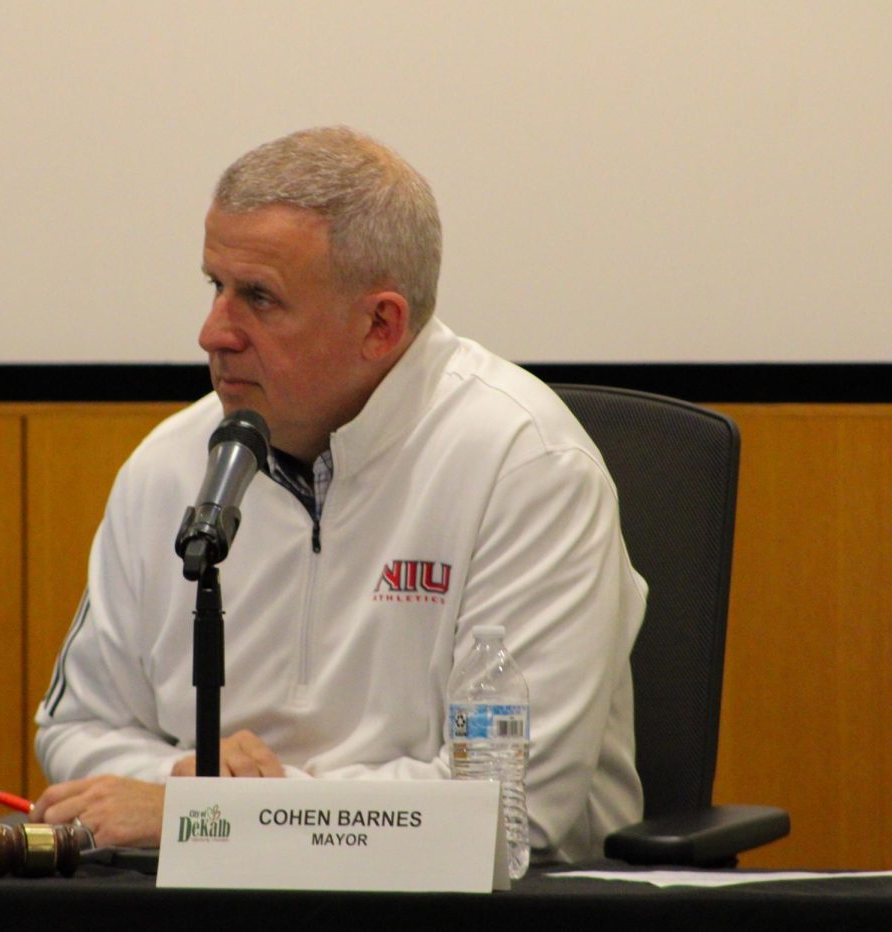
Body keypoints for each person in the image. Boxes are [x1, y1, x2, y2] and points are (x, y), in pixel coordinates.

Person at [32, 126, 647, 863]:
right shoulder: (170, 465)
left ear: (380, 325)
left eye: (259, 298)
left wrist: (223, 815)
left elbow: (511, 811)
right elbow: (74, 727)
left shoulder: (525, 467)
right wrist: (178, 781)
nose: (213, 333)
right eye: (214, 286)